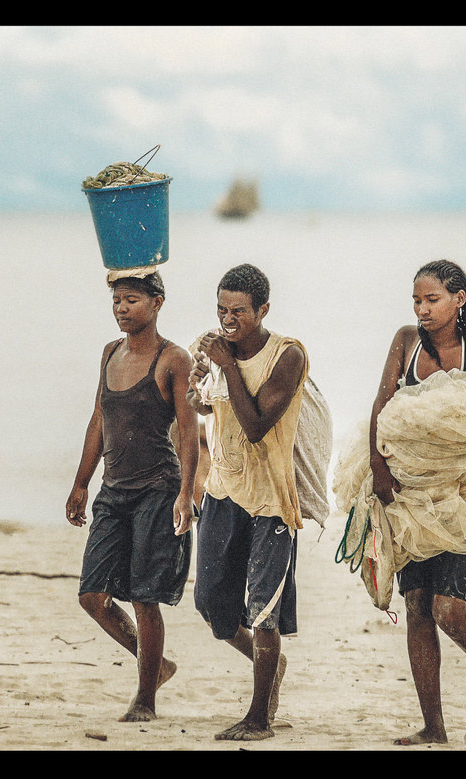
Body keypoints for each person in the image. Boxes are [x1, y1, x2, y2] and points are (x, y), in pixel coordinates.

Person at [367, 259, 466, 746]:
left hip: (462, 498)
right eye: (416, 301)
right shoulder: (405, 341)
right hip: (410, 496)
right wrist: (378, 467)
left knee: (448, 611)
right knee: (416, 605)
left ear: (458, 299)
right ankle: (433, 728)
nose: (421, 310)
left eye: (431, 300)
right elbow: (382, 405)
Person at [66, 270, 198, 723]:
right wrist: (82, 482)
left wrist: (186, 493)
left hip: (158, 489)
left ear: (157, 302)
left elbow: (188, 431)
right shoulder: (109, 353)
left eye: (132, 300)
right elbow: (99, 419)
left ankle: (146, 699)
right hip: (114, 490)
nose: (122, 308)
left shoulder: (172, 359)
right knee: (92, 595)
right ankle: (156, 666)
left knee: (145, 597)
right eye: (117, 300)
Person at [187, 263, 308, 742]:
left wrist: (227, 363)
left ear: (263, 310)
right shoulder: (217, 349)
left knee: (263, 610)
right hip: (222, 489)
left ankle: (259, 717)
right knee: (212, 604)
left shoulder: (288, 355)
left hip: (271, 499)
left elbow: (256, 425)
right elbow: (205, 407)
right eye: (221, 309)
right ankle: (271, 669)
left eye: (239, 311)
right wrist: (203, 377)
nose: (228, 319)